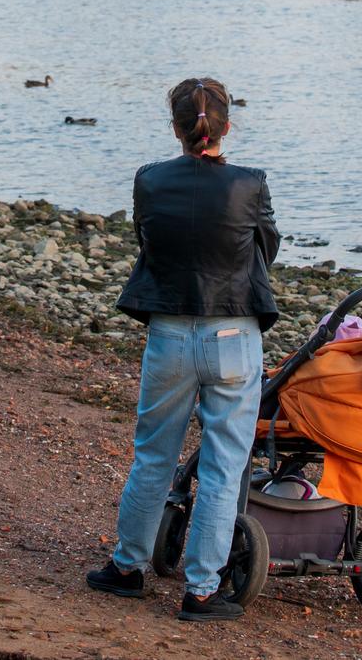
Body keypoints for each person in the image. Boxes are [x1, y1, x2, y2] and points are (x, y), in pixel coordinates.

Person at [85, 77, 280, 623]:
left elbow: (149, 244)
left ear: (175, 128)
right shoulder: (250, 183)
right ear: (227, 126)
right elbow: (267, 247)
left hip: (170, 331)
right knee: (223, 465)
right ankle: (200, 590)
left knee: (153, 454)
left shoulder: (149, 181)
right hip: (233, 336)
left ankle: (127, 568)